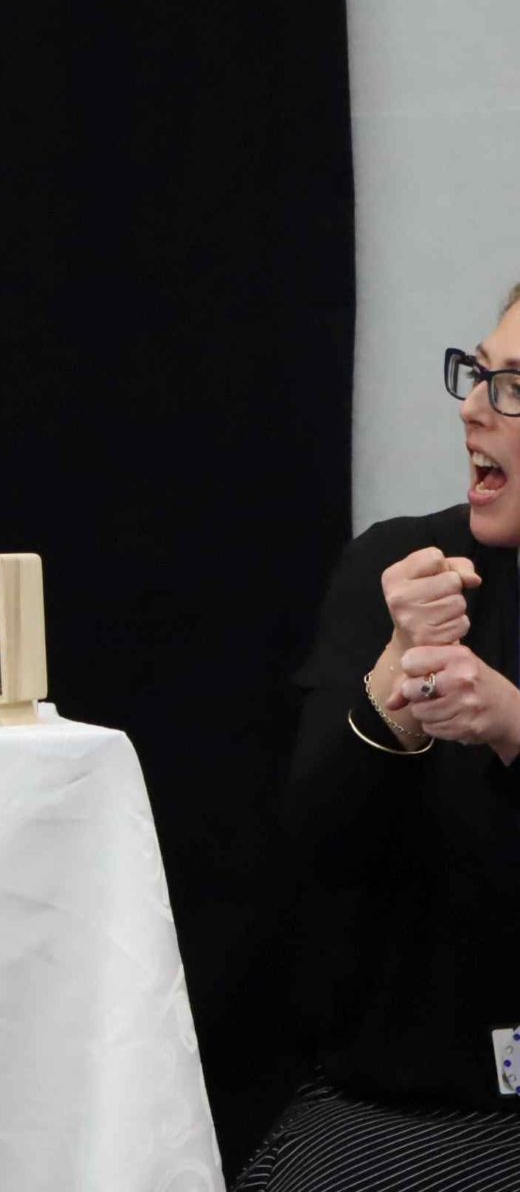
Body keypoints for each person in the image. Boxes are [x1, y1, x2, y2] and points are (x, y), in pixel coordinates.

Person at [237, 283, 520, 1189]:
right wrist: (392, 686)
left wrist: (513, 725)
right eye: (479, 372)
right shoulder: (399, 568)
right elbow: (313, 848)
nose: (473, 407)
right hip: (408, 1095)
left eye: (515, 387)